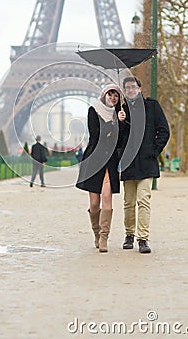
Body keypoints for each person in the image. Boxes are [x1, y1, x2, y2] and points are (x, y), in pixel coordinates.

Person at [118, 77, 170, 254]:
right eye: (127, 88)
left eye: (134, 87)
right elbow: (116, 141)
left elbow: (164, 130)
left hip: (146, 162)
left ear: (140, 89)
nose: (131, 90)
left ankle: (143, 238)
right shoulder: (121, 110)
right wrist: (120, 122)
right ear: (124, 91)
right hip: (129, 163)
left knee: (144, 200)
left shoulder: (152, 106)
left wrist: (153, 152)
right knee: (128, 203)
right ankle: (129, 235)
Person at [76, 84, 123, 253]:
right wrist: (112, 124)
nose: (113, 98)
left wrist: (122, 123)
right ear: (104, 96)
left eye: (116, 95)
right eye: (110, 94)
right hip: (94, 160)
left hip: (110, 161)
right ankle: (96, 233)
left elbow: (120, 140)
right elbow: (96, 134)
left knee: (107, 199)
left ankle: (104, 238)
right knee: (94, 203)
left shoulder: (121, 115)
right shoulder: (93, 110)